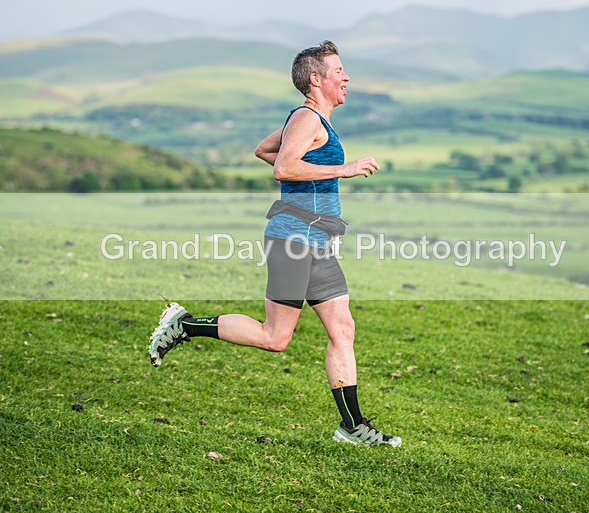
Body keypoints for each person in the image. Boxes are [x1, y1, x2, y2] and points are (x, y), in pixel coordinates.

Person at [148, 40, 400, 447]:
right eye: (338, 71)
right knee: (275, 337)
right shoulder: (306, 118)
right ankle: (185, 324)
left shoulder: (314, 120)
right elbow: (282, 166)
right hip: (293, 239)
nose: (346, 77)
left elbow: (265, 149)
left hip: (316, 239)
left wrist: (314, 173)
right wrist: (344, 169)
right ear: (316, 80)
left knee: (343, 329)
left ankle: (352, 428)